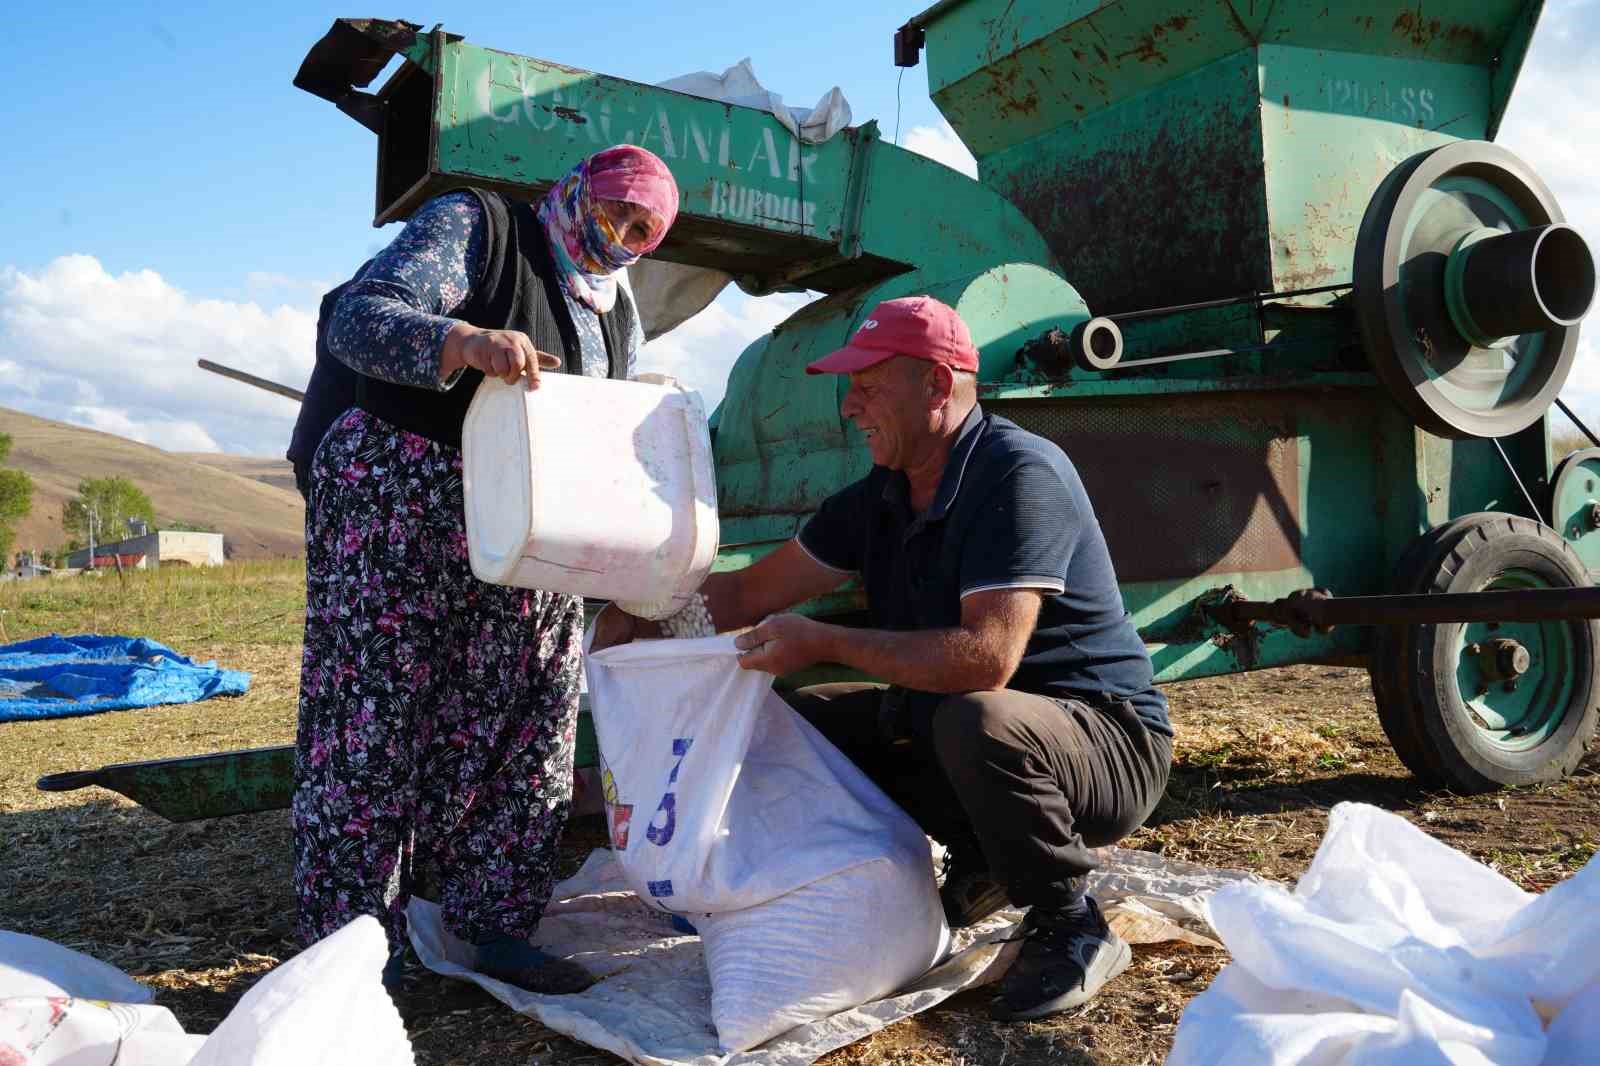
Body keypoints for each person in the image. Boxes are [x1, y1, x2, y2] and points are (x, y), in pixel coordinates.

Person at [593, 295, 1173, 1020]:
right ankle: (984, 856)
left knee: (978, 721)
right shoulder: (880, 497)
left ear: (936, 384)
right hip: (980, 727)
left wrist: (826, 641)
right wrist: (641, 610)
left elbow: (985, 659)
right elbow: (748, 594)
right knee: (803, 723)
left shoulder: (1019, 474)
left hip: (1105, 742)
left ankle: (1070, 921)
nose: (849, 407)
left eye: (868, 385)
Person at [291, 145, 680, 994]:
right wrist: (462, 341)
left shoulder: (617, 310)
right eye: (616, 212)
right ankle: (356, 954)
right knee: (374, 724)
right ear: (579, 190)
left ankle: (495, 923)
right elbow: (357, 318)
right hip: (403, 497)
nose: (623, 237)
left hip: (528, 524)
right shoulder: (483, 228)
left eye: (645, 232)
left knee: (523, 725)